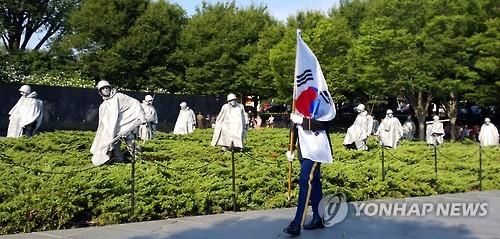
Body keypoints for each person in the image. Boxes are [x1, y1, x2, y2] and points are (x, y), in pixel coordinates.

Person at [90, 80, 146, 166]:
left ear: (110, 88)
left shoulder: (119, 97)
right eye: (102, 89)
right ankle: (118, 159)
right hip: (112, 130)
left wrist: (142, 116)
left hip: (125, 124)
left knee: (130, 141)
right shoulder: (103, 106)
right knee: (114, 146)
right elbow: (102, 123)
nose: (105, 90)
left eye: (106, 88)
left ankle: (138, 159)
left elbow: (134, 103)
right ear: (100, 92)